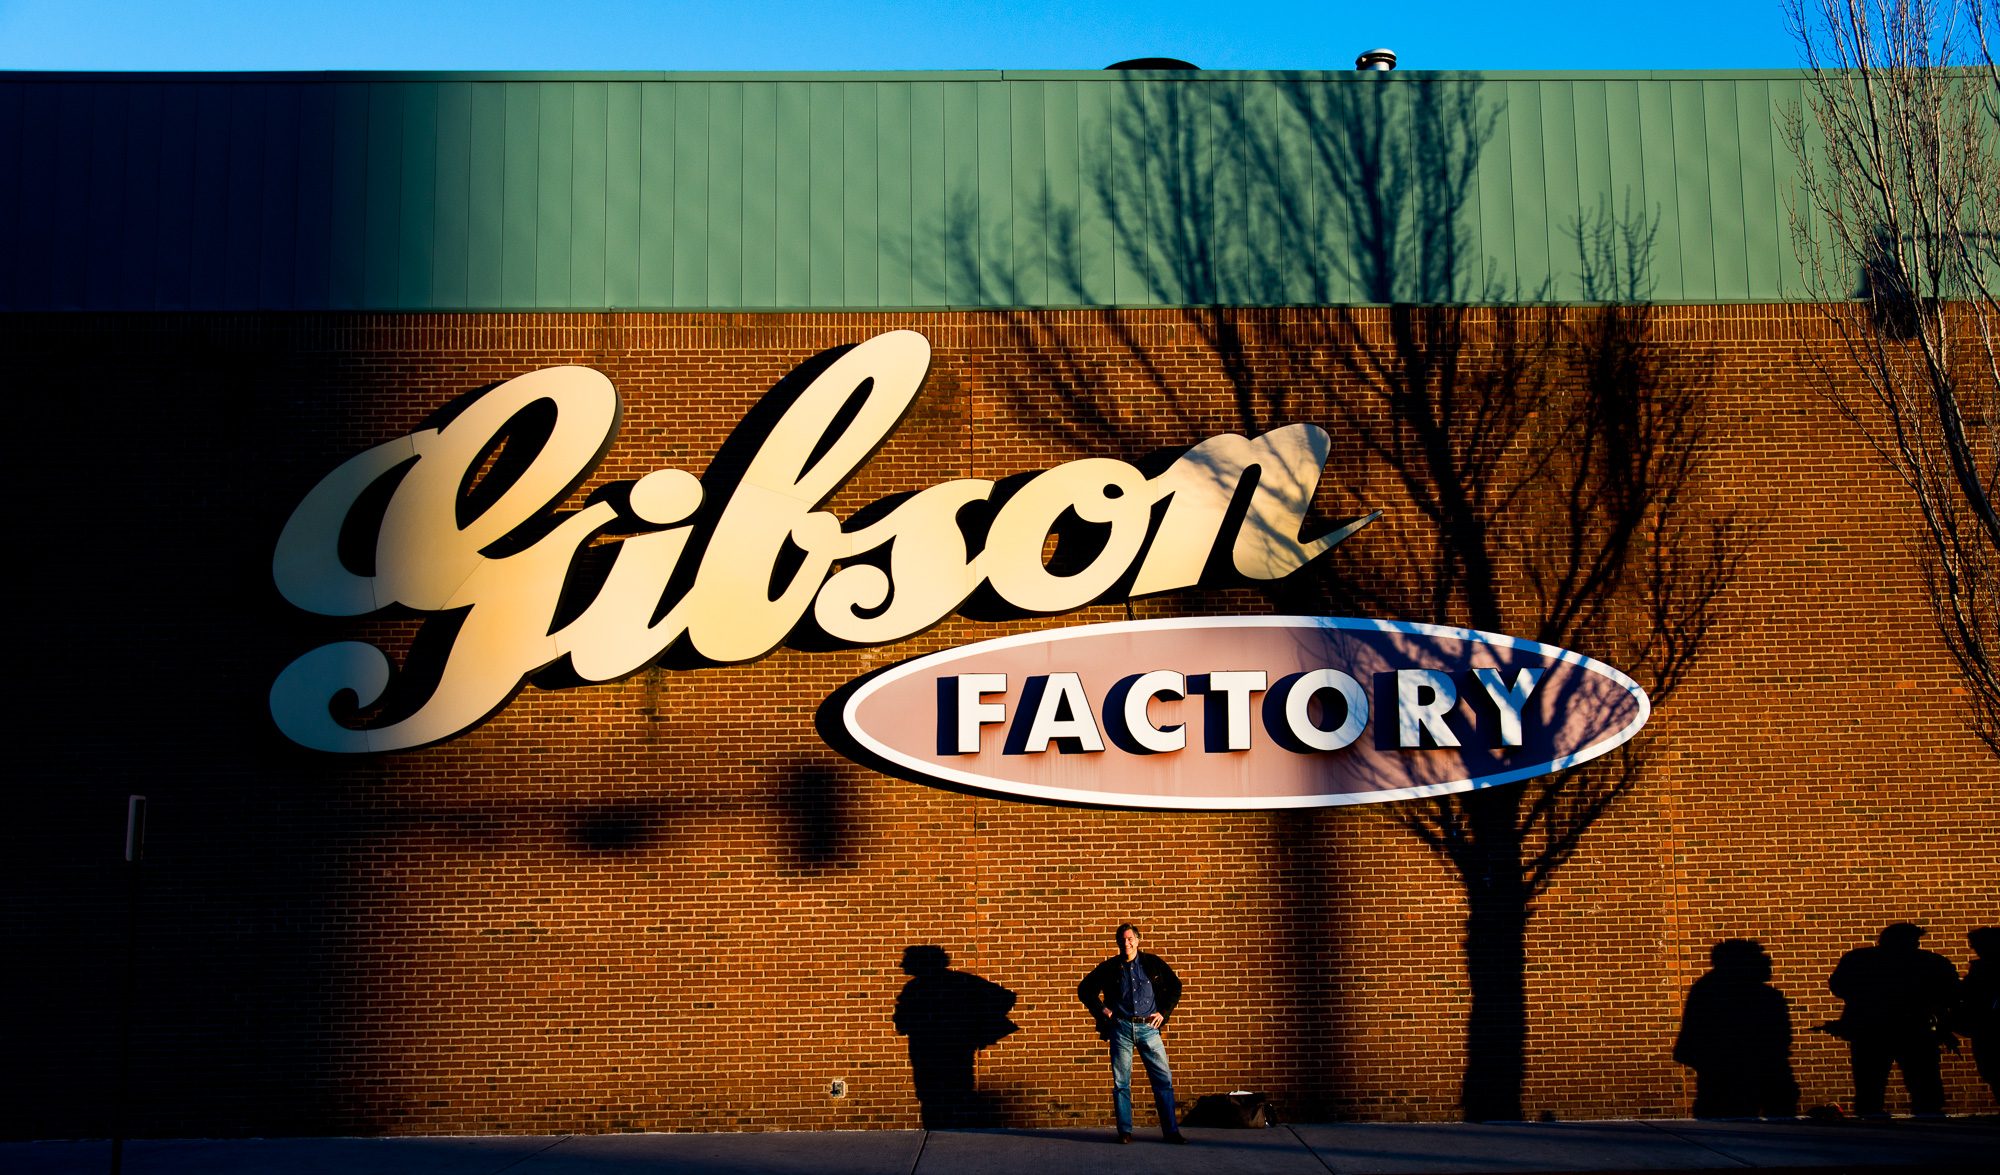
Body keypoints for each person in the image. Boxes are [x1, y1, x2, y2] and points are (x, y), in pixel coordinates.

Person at [1827, 922, 1961, 1117]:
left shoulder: (1859, 959)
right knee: (1924, 1083)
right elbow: (1952, 994)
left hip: (1870, 1029)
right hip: (1916, 1030)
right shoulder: (1930, 962)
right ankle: (1930, 1122)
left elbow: (1839, 987)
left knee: (1870, 1084)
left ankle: (1870, 1124)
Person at [1076, 923, 1186, 1144]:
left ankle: (1171, 1131)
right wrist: (1102, 1010)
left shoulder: (1152, 964)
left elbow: (1175, 986)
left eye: (1130, 939)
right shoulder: (1110, 968)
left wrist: (1163, 1012)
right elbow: (1085, 989)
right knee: (1121, 1083)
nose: (1126, 943)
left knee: (1163, 1081)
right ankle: (1125, 1131)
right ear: (1118, 942)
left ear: (1138, 940)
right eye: (1122, 939)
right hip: (1121, 1028)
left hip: (1149, 1029)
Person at [1672, 939, 1799, 1117]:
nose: (1767, 962)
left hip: (1724, 1077)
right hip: (1743, 1076)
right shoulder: (1760, 995)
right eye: (1758, 958)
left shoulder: (1707, 990)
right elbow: (1778, 1040)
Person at [1962, 927, 1999, 1106]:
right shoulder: (1980, 969)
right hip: (1985, 1029)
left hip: (1986, 1029)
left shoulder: (1982, 970)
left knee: (1992, 1070)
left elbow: (1968, 996)